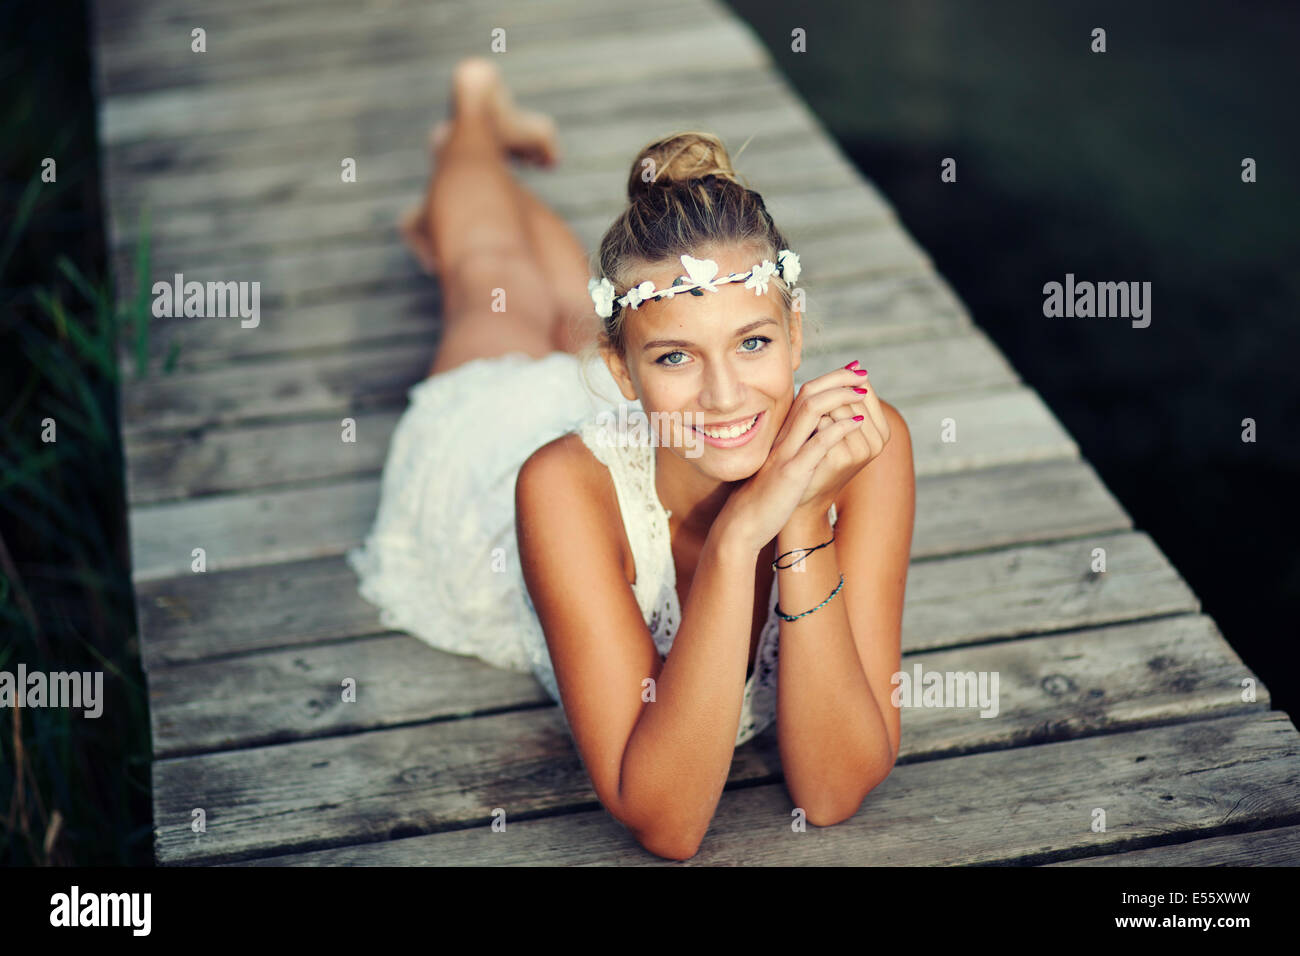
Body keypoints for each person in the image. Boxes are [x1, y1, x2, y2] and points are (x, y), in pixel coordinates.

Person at [348, 57, 916, 861]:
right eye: (675, 358)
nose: (725, 395)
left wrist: (798, 515)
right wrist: (737, 536)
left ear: (795, 336)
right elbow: (667, 822)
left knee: (527, 288)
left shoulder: (862, 441)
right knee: (490, 281)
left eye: (752, 342)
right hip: (490, 453)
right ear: (620, 372)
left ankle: (483, 167)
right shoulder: (555, 487)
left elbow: (832, 791)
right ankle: (473, 114)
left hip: (654, 431)